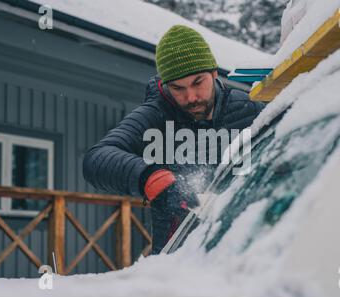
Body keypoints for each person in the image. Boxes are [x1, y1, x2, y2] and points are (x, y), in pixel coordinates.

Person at [83, 25, 265, 254]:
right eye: (178, 88)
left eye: (198, 82)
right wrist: (149, 178)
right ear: (166, 86)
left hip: (248, 250)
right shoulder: (155, 115)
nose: (190, 97)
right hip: (177, 259)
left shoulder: (250, 109)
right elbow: (96, 159)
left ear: (214, 73)